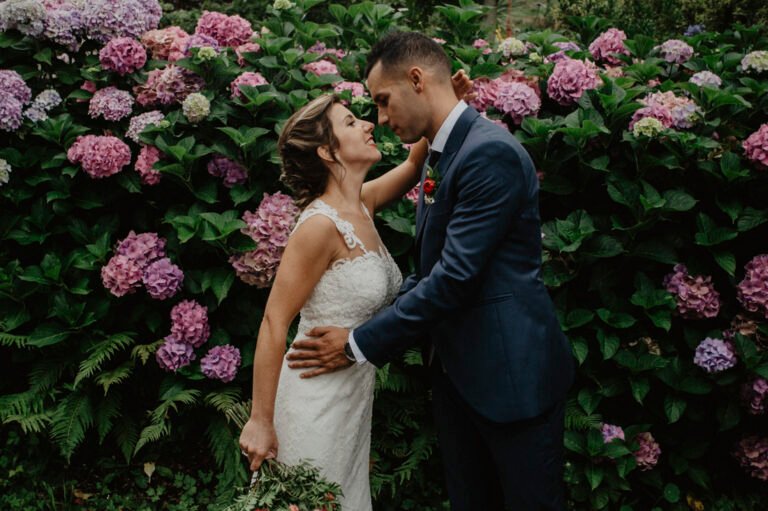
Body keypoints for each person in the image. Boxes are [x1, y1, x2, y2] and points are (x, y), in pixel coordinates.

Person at [286, 31, 576, 510]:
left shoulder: (488, 153)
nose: (381, 118)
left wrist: (358, 343)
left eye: (383, 100)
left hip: (511, 378)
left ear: (417, 79)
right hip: (458, 379)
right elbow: (431, 269)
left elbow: (454, 278)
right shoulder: (441, 153)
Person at [238, 74, 473, 510]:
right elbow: (274, 321)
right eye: (350, 122)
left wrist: (445, 102)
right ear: (328, 152)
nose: (368, 124)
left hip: (351, 406)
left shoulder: (362, 203)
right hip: (313, 402)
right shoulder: (319, 226)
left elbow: (413, 165)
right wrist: (260, 420)